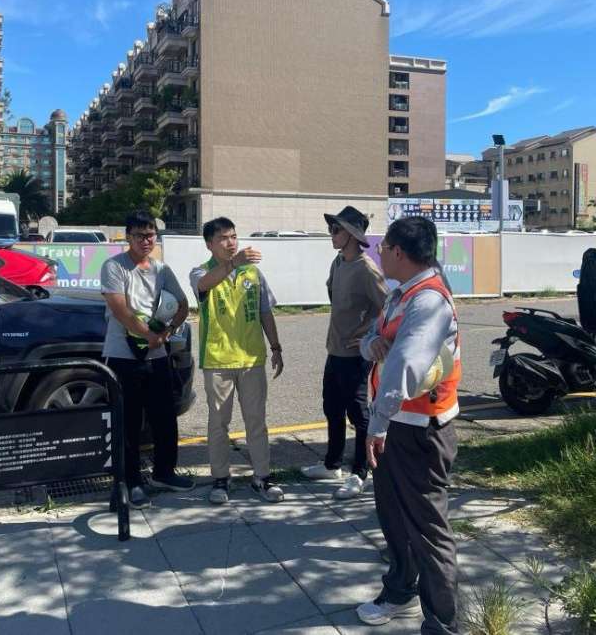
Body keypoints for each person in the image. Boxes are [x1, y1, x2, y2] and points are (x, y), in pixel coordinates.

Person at [356, 216, 461, 634]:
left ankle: (442, 622)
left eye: (382, 247)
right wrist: (372, 344)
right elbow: (370, 339)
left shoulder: (428, 300)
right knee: (394, 515)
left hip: (420, 429)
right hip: (397, 422)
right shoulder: (400, 295)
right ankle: (400, 590)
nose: (379, 252)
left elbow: (405, 364)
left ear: (398, 252)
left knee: (428, 529)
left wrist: (377, 424)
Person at [101, 209, 194, 509]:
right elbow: (120, 309)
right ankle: (131, 482)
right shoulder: (114, 266)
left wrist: (168, 331)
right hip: (122, 355)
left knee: (164, 416)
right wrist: (148, 334)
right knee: (128, 421)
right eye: (139, 235)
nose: (146, 240)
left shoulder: (162, 269)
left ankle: (164, 473)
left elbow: (183, 304)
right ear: (128, 237)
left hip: (156, 355)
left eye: (150, 234)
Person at [190, 217, 285, 505]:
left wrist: (276, 346)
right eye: (223, 238)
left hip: (251, 358)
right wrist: (233, 264)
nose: (230, 242)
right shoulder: (200, 272)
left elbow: (265, 311)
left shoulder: (253, 273)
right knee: (218, 423)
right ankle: (221, 478)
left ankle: (262, 477)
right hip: (218, 360)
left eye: (233, 236)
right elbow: (204, 285)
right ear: (209, 244)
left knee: (257, 421)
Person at [301, 206, 387, 500]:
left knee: (359, 413)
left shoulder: (367, 269)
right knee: (332, 406)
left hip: (356, 355)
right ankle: (332, 465)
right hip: (335, 348)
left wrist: (367, 333)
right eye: (331, 229)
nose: (332, 234)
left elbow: (387, 306)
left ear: (352, 234)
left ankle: (360, 473)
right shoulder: (338, 262)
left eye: (336, 230)